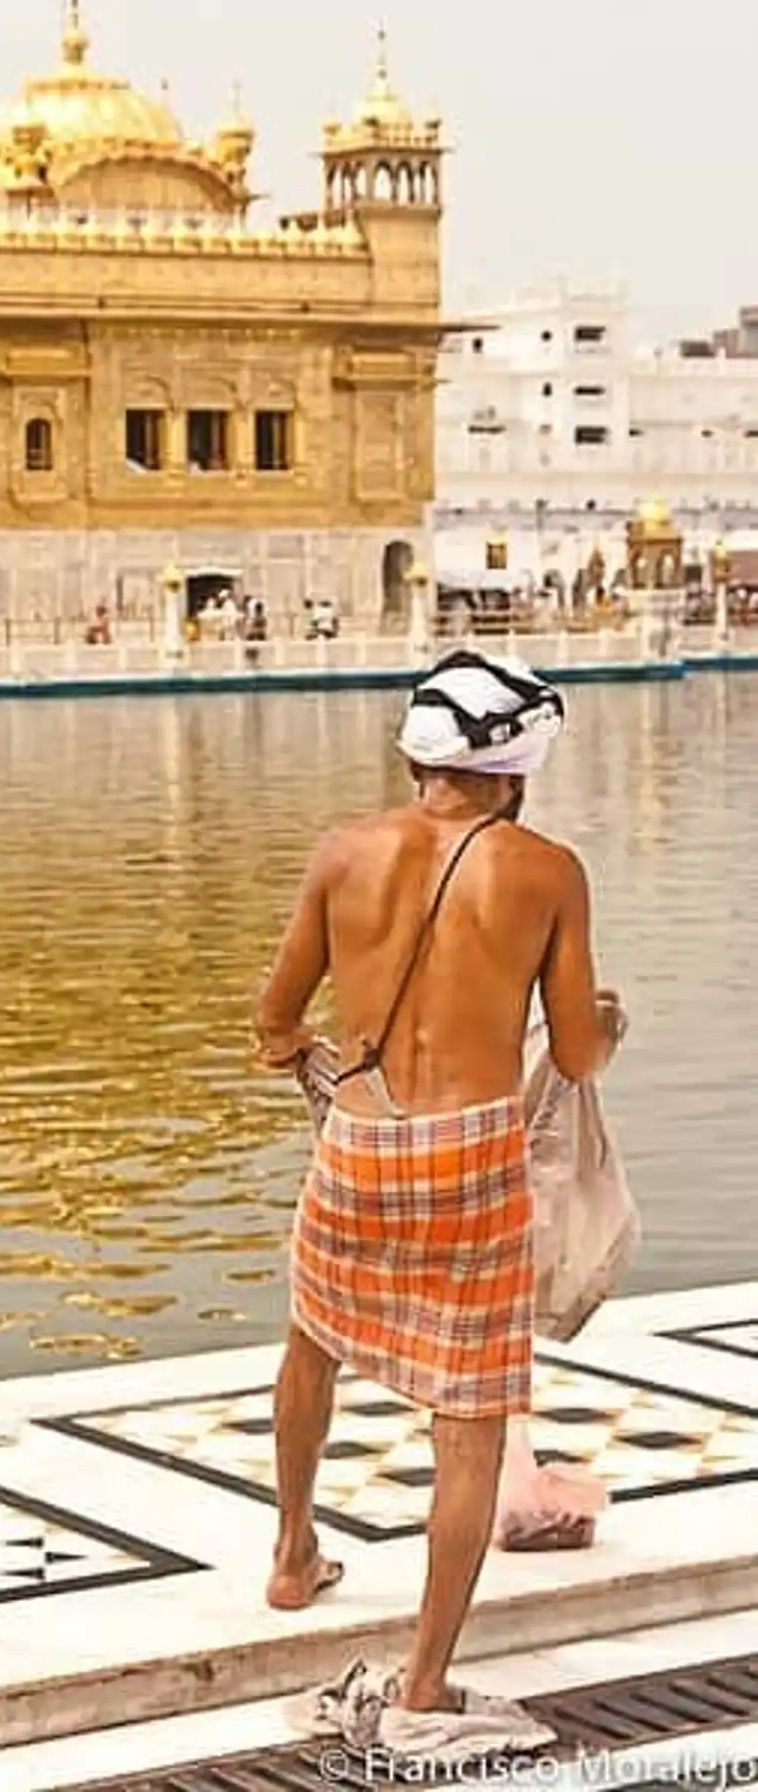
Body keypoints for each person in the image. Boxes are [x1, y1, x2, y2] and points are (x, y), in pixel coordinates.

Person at [253, 648, 621, 1746]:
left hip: (361, 1139)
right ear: (515, 767)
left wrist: (312, 1053)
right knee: (466, 1418)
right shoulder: (546, 869)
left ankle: (291, 1555)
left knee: (310, 1340)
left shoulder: (341, 851)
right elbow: (576, 1054)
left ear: (415, 754)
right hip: (471, 1151)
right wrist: (602, 1018)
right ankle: (420, 1687)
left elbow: (271, 1025)